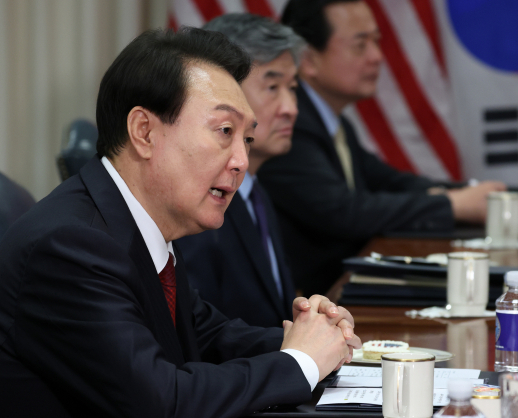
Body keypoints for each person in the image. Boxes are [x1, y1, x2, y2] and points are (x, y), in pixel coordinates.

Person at [0, 27, 360, 418]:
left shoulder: (137, 224)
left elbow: (209, 337)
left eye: (247, 140)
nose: (241, 161)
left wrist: (315, 339)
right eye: (225, 131)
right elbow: (161, 402)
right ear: (144, 131)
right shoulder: (70, 247)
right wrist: (301, 362)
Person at [258, 0, 506, 295]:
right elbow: (345, 211)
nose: (377, 57)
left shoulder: (333, 121)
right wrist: (452, 204)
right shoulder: (289, 124)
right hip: (315, 300)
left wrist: (458, 194)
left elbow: (388, 181)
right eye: (360, 45)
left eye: (376, 42)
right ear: (308, 60)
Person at [176, 13, 302, 327]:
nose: (291, 108)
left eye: (292, 88)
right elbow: (198, 335)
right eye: (272, 87)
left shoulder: (256, 192)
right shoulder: (197, 204)